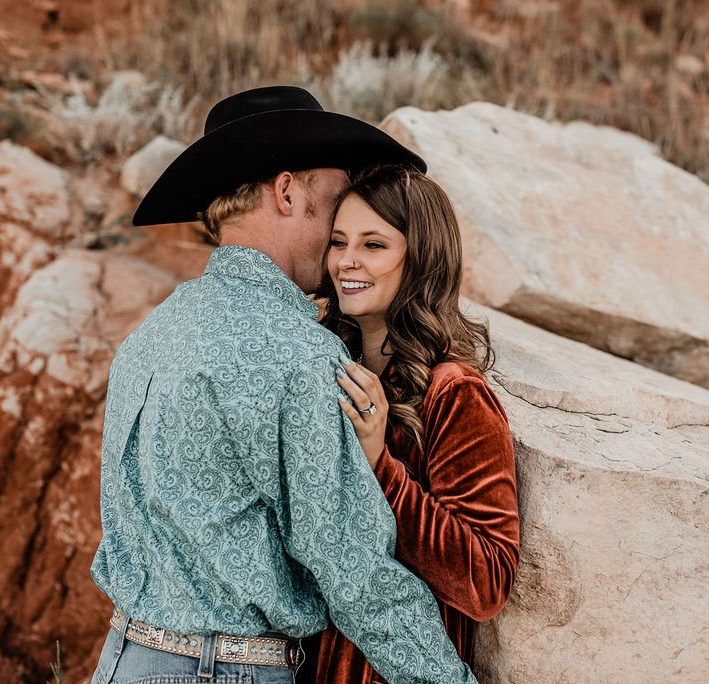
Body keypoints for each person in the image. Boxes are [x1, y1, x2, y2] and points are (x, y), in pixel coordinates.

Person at [89, 86, 478, 684]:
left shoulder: (152, 333)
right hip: (220, 672)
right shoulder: (298, 356)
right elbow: (355, 574)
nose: (336, 237)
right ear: (289, 191)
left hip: (122, 660)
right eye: (331, 203)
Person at [312, 166, 521, 683]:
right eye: (338, 242)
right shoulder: (331, 366)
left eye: (374, 245)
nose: (347, 261)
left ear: (421, 260)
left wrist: (380, 466)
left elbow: (487, 580)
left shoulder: (454, 394)